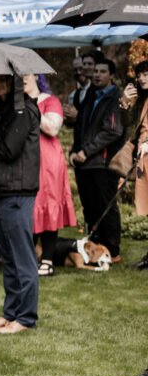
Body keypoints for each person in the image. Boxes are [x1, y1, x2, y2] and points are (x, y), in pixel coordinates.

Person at [0, 75, 41, 334]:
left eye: (5, 78)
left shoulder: (24, 110)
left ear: (15, 80)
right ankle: (10, 314)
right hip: (0, 194)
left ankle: (25, 318)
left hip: (17, 194)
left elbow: (8, 150)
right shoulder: (4, 111)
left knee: (23, 260)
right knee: (10, 261)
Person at [70, 58, 125, 260]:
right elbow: (80, 127)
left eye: (102, 71)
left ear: (111, 75)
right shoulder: (89, 96)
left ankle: (112, 250)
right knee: (90, 207)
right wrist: (74, 152)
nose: (97, 74)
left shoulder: (116, 98)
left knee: (106, 207)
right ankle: (95, 248)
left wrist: (86, 151)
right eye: (95, 71)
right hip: (84, 164)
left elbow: (112, 131)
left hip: (103, 163)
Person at [23, 74, 77, 276]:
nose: (22, 78)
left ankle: (47, 260)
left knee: (47, 206)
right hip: (24, 161)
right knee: (28, 209)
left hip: (47, 163)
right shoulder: (14, 102)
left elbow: (52, 128)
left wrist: (30, 106)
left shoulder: (50, 101)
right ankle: (28, 259)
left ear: (36, 76)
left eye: (26, 73)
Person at [122, 61, 148, 270]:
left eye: (147, 74)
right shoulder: (141, 100)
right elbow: (127, 126)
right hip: (143, 158)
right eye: (140, 75)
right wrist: (125, 102)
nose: (142, 78)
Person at [64, 51, 100, 127]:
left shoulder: (98, 91)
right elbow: (71, 124)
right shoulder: (73, 96)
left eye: (81, 68)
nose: (79, 72)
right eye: (75, 70)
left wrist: (78, 116)